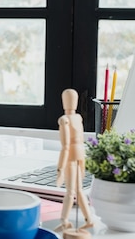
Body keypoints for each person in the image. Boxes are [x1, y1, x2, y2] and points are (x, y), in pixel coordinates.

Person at [56, 88, 93, 233]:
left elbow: (65, 147)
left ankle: (64, 221)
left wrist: (60, 168)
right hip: (80, 155)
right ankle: (89, 219)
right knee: (79, 191)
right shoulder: (78, 118)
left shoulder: (64, 120)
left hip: (71, 158)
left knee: (70, 192)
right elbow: (81, 140)